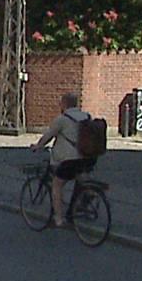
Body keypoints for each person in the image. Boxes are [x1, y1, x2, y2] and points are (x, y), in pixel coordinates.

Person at [32, 91, 97, 227]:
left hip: (69, 160)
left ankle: (59, 219)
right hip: (87, 157)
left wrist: (38, 146)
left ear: (64, 104)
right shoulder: (87, 116)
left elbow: (48, 136)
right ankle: (87, 193)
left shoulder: (62, 119)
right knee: (79, 177)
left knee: (57, 185)